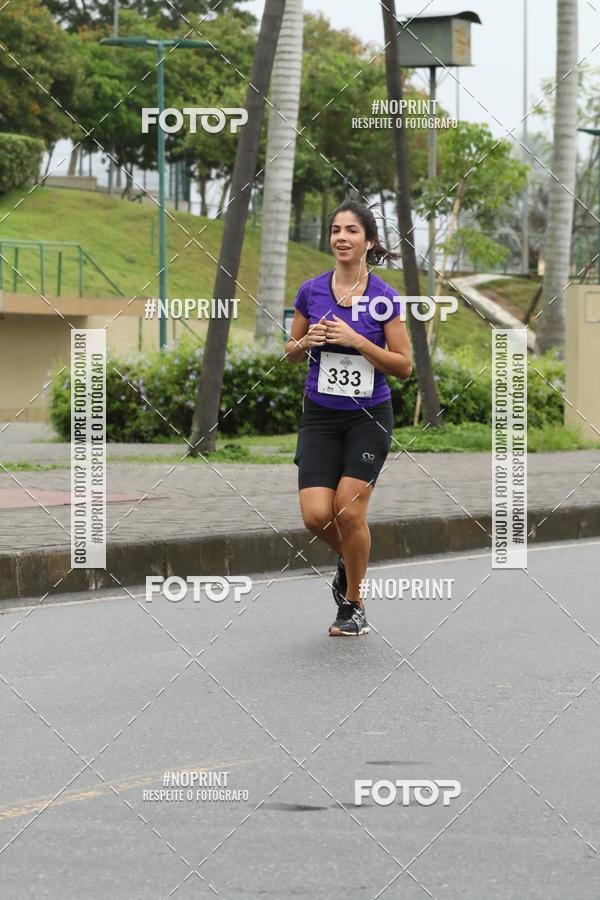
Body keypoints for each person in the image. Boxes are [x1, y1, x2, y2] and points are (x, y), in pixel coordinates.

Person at [285, 198, 413, 636]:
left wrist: (358, 340)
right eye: (336, 230)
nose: (342, 237)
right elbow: (289, 351)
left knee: (348, 511)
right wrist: (307, 341)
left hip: (368, 417)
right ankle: (351, 557)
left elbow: (404, 365)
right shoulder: (311, 291)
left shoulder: (384, 298)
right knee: (315, 515)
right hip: (320, 416)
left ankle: (353, 603)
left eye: (352, 230)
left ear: (369, 241)